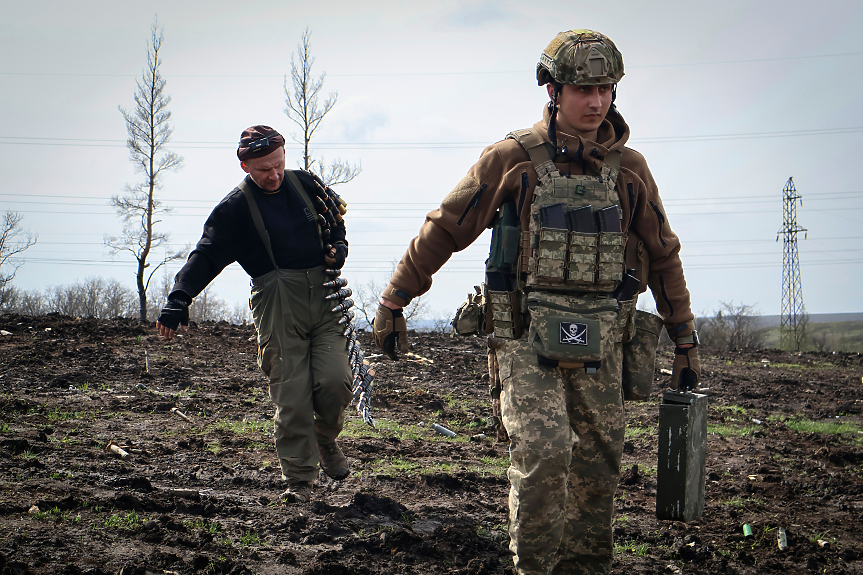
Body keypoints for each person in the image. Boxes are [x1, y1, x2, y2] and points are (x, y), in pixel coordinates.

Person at [373, 31, 701, 575]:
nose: (596, 102)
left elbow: (663, 256)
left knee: (599, 463)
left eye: (606, 89)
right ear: (552, 89)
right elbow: (445, 229)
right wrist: (395, 299)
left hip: (605, 339)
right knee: (546, 454)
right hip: (525, 336)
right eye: (582, 89)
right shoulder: (513, 158)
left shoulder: (630, 169)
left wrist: (685, 339)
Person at [156, 125, 355, 504]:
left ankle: (324, 439)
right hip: (278, 304)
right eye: (264, 169)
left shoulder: (308, 186)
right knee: (292, 395)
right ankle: (300, 483)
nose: (275, 175)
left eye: (279, 164)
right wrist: (179, 297)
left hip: (326, 298)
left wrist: (338, 248)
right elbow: (207, 254)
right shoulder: (235, 208)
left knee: (336, 382)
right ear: (246, 166)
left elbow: (335, 225)